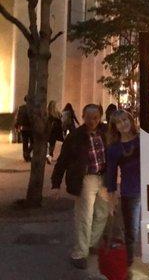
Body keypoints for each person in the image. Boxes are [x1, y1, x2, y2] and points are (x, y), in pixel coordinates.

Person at [106, 110, 149, 279]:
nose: (123, 124)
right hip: (130, 193)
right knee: (132, 233)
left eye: (125, 120)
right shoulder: (114, 149)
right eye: (119, 122)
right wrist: (111, 199)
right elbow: (110, 176)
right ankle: (128, 264)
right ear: (114, 127)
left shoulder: (143, 139)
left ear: (131, 120)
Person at [51, 104, 109, 270]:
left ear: (100, 117)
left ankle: (89, 243)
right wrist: (56, 184)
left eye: (96, 117)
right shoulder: (75, 136)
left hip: (103, 177)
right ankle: (79, 253)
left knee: (103, 214)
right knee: (85, 217)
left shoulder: (105, 133)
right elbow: (62, 161)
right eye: (89, 117)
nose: (92, 121)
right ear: (83, 116)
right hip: (86, 179)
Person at [14, 96, 32, 162]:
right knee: (33, 143)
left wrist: (16, 126)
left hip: (23, 128)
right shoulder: (33, 108)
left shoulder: (21, 108)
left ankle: (26, 156)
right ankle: (27, 154)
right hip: (31, 128)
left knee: (25, 143)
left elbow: (18, 118)